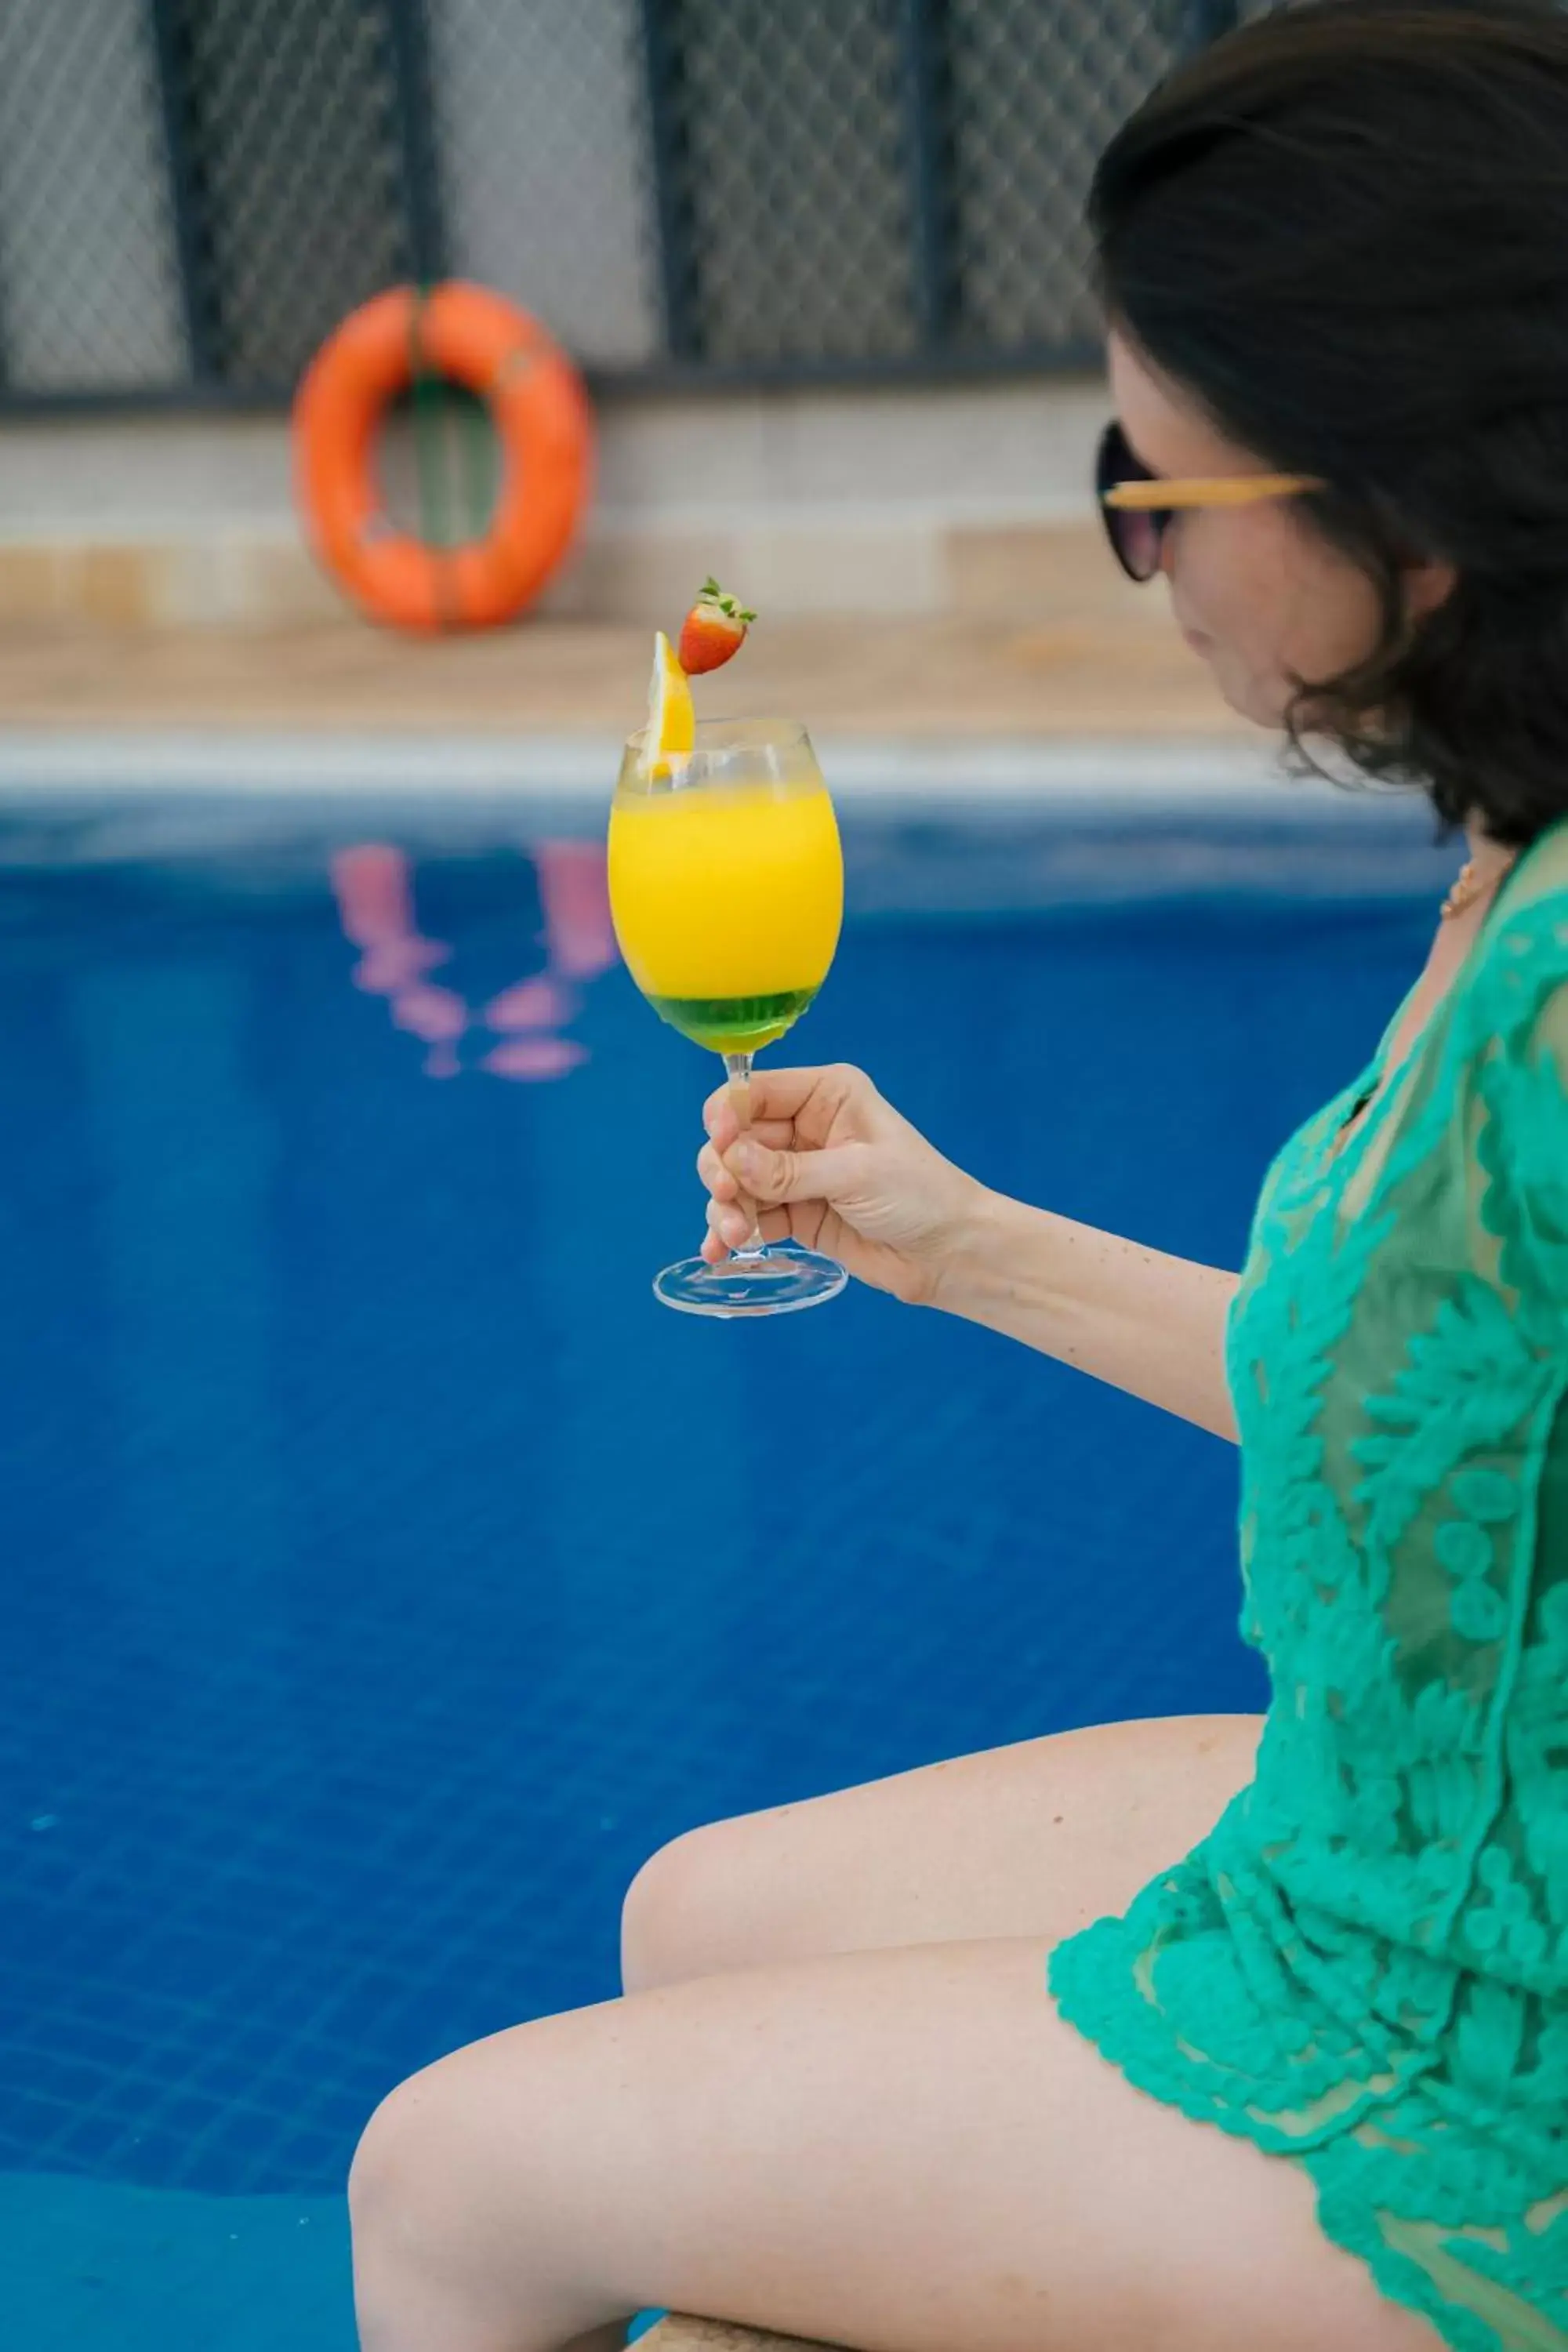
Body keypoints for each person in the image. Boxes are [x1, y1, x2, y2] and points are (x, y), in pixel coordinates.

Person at [346, 5, 1568, 2347]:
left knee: (449, 2175)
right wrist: (971, 1245)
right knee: (693, 1909)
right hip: (1405, 1807)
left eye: (1157, 494)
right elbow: (1455, 1423)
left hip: (1480, 2012)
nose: (1135, 555)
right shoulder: (1509, 851)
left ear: (1407, 514)